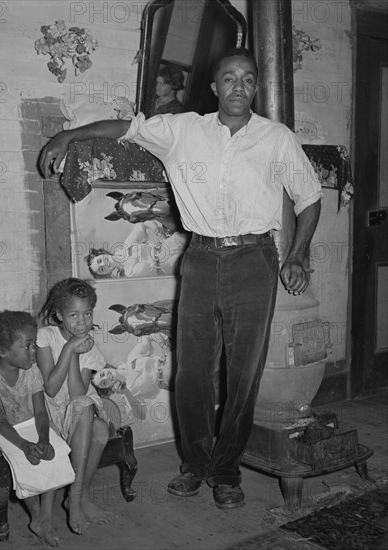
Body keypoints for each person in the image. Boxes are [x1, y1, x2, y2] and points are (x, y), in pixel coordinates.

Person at [38, 47, 322, 510]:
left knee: (244, 372)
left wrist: (297, 255)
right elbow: (125, 128)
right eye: (229, 78)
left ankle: (227, 471)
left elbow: (310, 197)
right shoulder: (183, 130)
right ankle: (196, 465)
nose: (239, 87)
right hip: (202, 258)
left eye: (248, 79)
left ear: (255, 87)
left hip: (255, 260)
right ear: (214, 87)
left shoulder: (277, 138)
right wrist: (68, 135)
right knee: (191, 372)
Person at [0, 310, 60, 546]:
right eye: (28, 346)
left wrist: (44, 439)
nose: (34, 352)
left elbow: (41, 412)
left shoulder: (31, 371)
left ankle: (45, 517)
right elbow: (0, 422)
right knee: (24, 458)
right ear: (2, 351)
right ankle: (37, 514)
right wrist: (26, 445)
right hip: (1, 432)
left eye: (34, 345)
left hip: (32, 423)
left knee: (54, 452)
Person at [36, 278, 116, 534]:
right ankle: (79, 498)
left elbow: (77, 393)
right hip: (51, 408)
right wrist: (70, 348)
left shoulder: (90, 347)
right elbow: (50, 388)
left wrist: (79, 353)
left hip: (79, 405)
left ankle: (78, 494)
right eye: (73, 315)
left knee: (95, 422)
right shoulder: (45, 337)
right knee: (99, 430)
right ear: (59, 315)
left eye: (88, 313)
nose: (82, 322)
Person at [85, 220, 188, 278]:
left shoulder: (127, 245)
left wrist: (158, 232)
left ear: (103, 253)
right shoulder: (129, 274)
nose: (103, 263)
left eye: (99, 260)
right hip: (170, 265)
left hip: (170, 244)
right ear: (106, 273)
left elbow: (143, 223)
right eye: (101, 269)